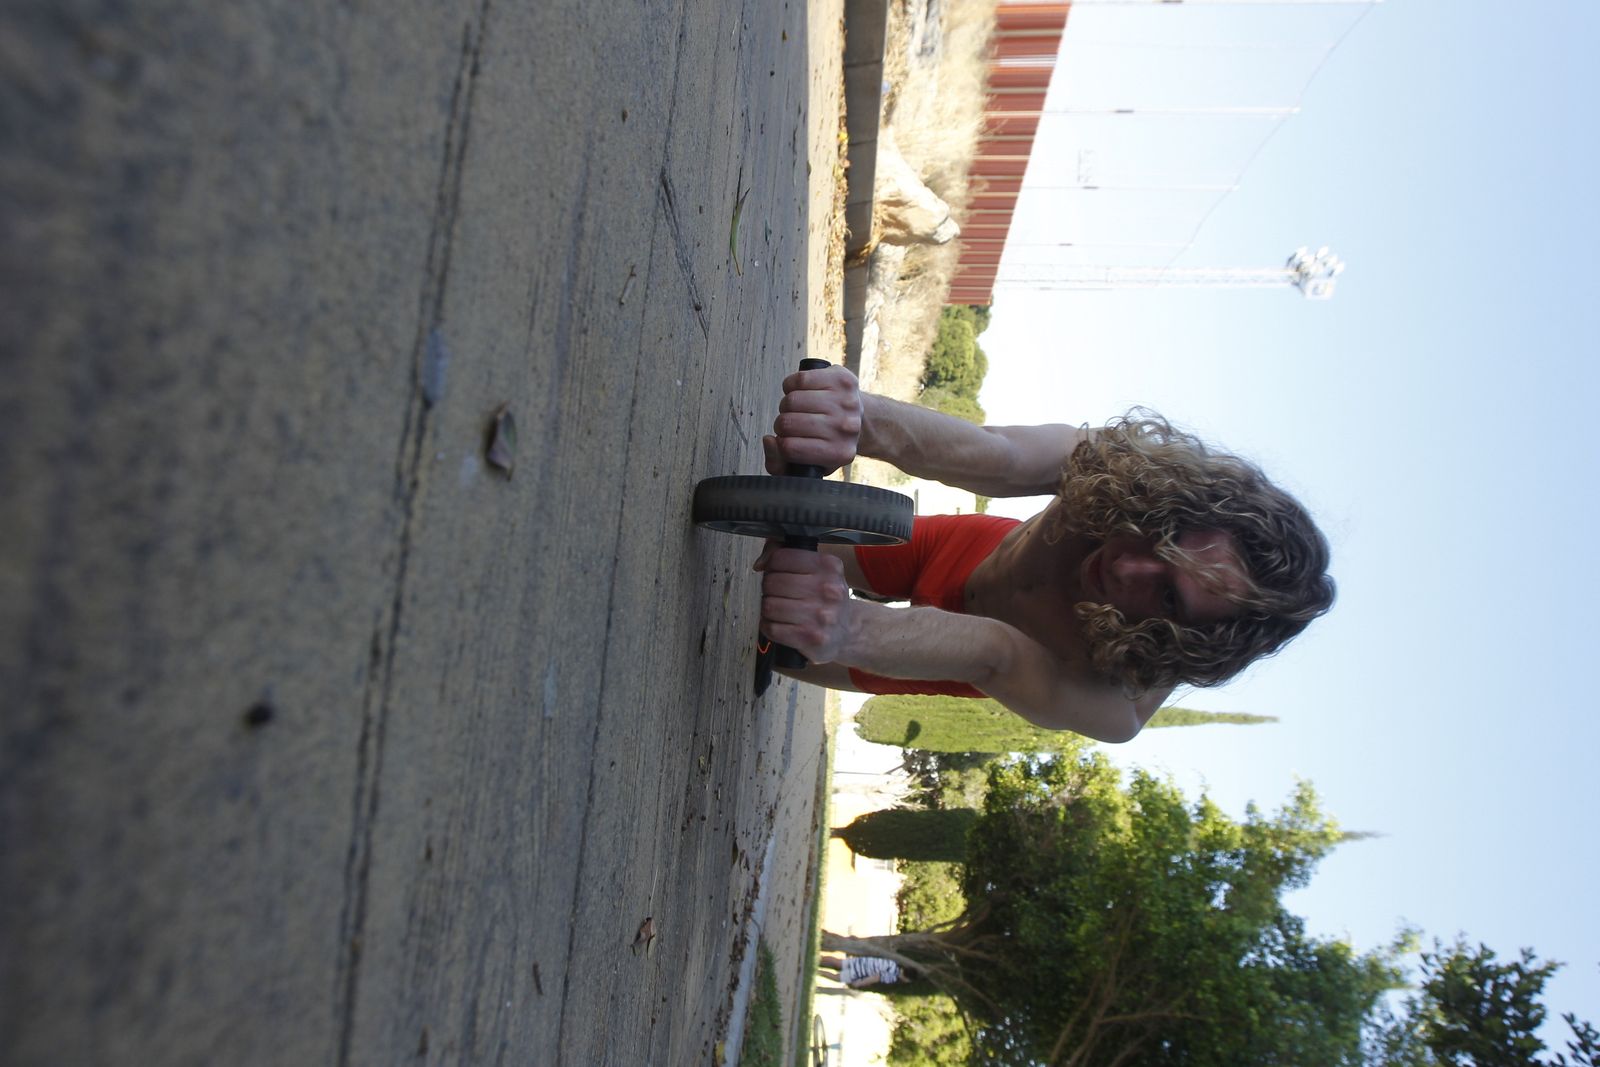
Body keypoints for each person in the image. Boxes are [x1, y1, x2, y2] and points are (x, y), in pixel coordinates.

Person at [754, 364, 1334, 743]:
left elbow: (995, 653)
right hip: (973, 552)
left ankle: (814, 625)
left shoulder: (1116, 704)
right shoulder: (1135, 474)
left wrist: (847, 629)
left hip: (956, 654)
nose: (1128, 567)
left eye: (1165, 595)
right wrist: (861, 419)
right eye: (1163, 541)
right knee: (793, 529)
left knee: (783, 648)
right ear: (1180, 506)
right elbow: (999, 455)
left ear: (1180, 637)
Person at [817, 952, 912, 989]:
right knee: (837, 977)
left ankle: (819, 958)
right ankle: (818, 972)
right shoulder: (892, 977)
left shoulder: (893, 964)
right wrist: (860, 983)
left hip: (861, 962)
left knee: (837, 962)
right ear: (906, 978)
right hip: (859, 973)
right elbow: (876, 977)